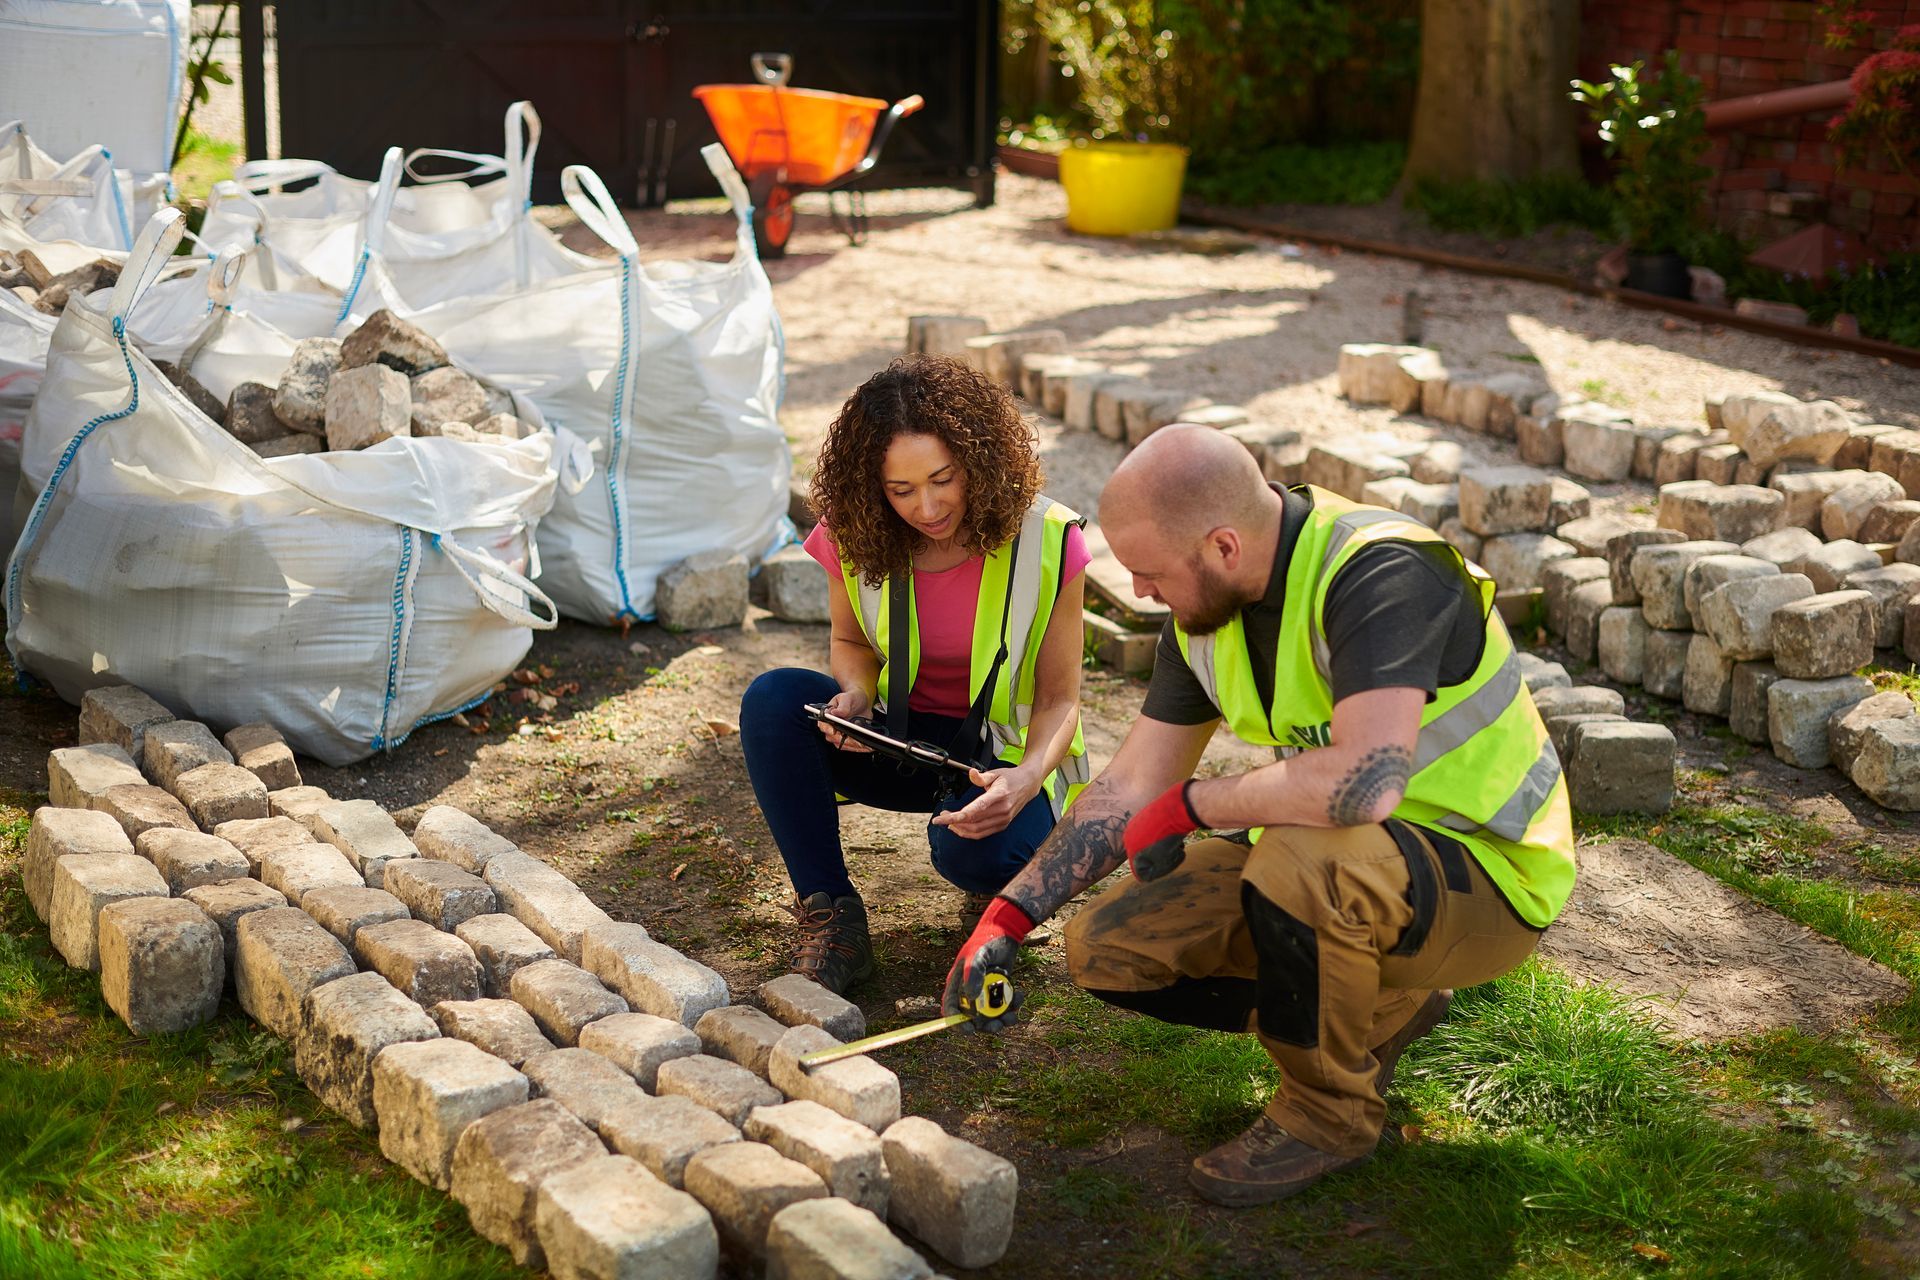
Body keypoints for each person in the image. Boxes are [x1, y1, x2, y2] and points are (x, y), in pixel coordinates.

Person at [942, 424, 1575, 1206]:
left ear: (1224, 547)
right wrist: (1006, 920)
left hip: (1489, 871)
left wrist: (1196, 804)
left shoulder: (1383, 572)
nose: (1140, 593)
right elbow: (1131, 784)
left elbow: (1365, 785)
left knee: (1299, 866)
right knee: (1111, 946)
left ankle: (1328, 1116)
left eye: (1149, 574)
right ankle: (1379, 1007)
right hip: (1360, 865)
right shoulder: (1205, 614)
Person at [741, 355, 1092, 994]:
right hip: (895, 741)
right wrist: (854, 695)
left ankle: (1006, 868)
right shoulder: (853, 528)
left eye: (942, 479)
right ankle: (833, 915)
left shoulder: (1051, 538)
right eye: (900, 490)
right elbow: (850, 641)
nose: (926, 507)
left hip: (1000, 756)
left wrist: (1026, 778)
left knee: (979, 856)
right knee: (775, 700)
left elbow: (1059, 697)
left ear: (978, 460)